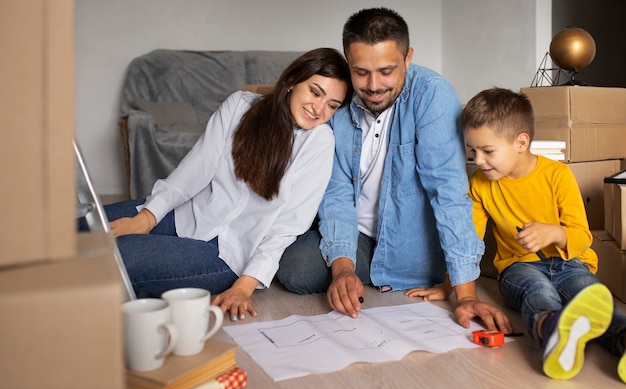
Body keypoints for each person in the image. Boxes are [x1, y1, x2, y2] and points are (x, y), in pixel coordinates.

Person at [276, 7, 512, 334]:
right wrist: (343, 269)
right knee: (294, 269)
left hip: (412, 241)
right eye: (361, 72)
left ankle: (393, 273)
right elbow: (336, 192)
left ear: (408, 58)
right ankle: (361, 272)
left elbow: (448, 193)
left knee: (425, 260)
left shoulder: (433, 96)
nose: (374, 86)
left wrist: (466, 294)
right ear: (348, 61)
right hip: (358, 235)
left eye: (387, 71)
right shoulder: (338, 101)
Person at [98, 48, 351, 322]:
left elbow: (290, 224)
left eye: (332, 105)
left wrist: (244, 286)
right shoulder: (240, 105)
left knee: (118, 256)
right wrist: (146, 218)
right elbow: (196, 168)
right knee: (88, 225)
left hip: (226, 255)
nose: (319, 109)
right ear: (292, 80)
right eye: (315, 92)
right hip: (189, 215)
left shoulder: (320, 142)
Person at [461, 87, 626, 381]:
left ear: (521, 142)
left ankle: (622, 339)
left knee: (587, 293)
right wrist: (453, 287)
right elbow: (468, 243)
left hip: (570, 262)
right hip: (518, 267)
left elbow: (582, 236)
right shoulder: (480, 184)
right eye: (473, 151)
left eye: (488, 151)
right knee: (538, 292)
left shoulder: (557, 175)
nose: (479, 160)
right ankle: (552, 331)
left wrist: (553, 233)